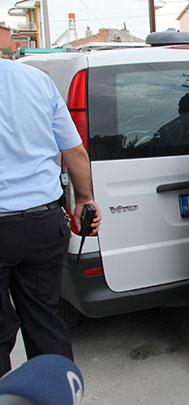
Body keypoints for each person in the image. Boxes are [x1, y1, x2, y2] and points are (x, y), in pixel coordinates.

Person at [0, 59, 101, 375]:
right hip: (43, 224)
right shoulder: (36, 80)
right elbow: (75, 151)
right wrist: (84, 199)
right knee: (45, 319)